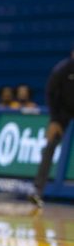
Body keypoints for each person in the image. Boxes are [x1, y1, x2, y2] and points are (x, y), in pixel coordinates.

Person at [32, 48, 74, 208]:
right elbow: (50, 92)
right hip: (62, 113)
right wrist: (54, 120)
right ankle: (37, 190)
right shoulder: (63, 69)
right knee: (50, 146)